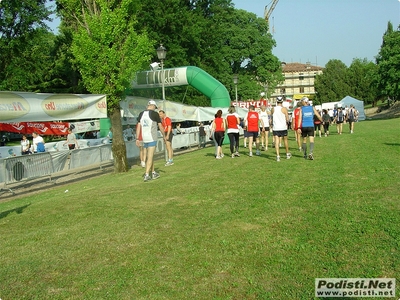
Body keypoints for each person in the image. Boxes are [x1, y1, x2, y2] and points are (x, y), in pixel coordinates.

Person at [136, 100, 165, 182]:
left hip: (144, 138)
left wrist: (137, 138)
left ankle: (153, 172)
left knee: (149, 157)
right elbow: (160, 126)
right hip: (152, 137)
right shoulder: (155, 114)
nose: (155, 109)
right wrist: (164, 135)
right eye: (155, 107)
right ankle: (147, 174)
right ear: (152, 106)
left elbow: (138, 127)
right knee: (150, 156)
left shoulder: (141, 114)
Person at [271, 96, 291, 161]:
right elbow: (287, 119)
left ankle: (278, 156)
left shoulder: (273, 109)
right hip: (283, 127)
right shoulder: (284, 109)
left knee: (276, 141)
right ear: (282, 102)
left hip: (276, 127)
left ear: (276, 101)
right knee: (285, 140)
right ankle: (287, 153)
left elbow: (271, 117)